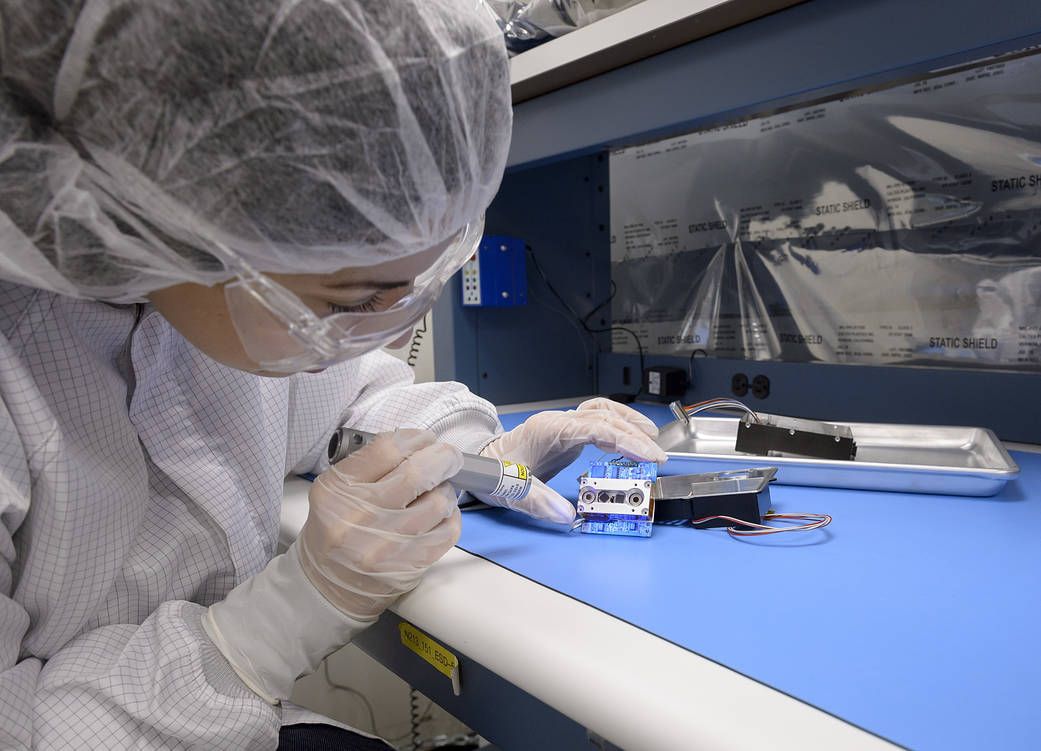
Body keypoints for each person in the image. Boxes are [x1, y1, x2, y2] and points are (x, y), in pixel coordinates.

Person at [0, 2, 666, 748]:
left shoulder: (200, 302)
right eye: (352, 301)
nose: (378, 330)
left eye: (416, 285)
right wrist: (280, 621)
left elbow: (355, 404)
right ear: (167, 217)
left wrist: (494, 462)